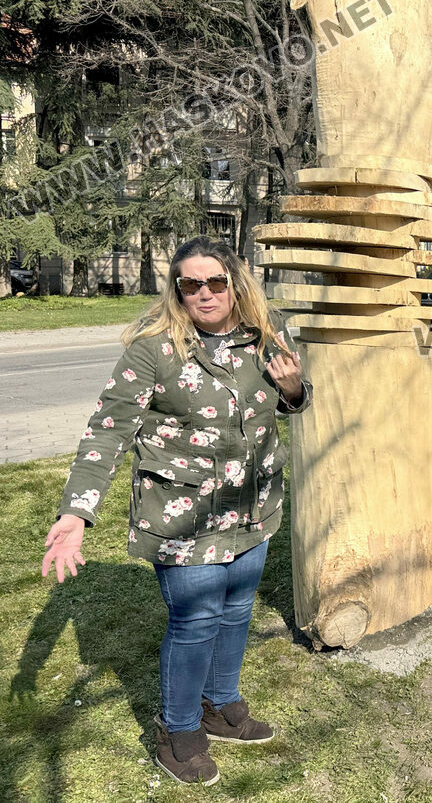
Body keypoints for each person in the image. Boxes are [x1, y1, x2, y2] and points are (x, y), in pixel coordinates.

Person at [41, 236, 312, 786]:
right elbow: (108, 431)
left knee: (237, 610)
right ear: (177, 290)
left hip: (252, 506)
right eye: (190, 284)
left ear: (236, 282)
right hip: (182, 514)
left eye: (215, 281)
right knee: (195, 621)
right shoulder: (154, 349)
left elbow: (291, 399)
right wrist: (76, 513)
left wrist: (293, 389)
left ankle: (220, 704)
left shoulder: (268, 332)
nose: (204, 293)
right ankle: (178, 729)